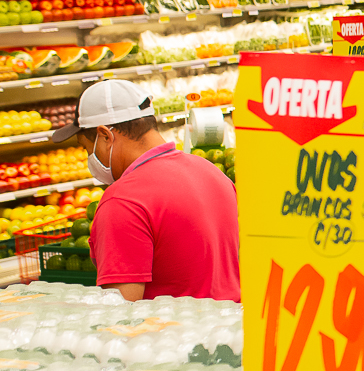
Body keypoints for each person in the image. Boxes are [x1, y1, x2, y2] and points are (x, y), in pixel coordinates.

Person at [68, 79, 238, 301]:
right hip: (234, 328)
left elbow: (121, 313)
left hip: (173, 333)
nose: (90, 158)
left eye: (88, 149)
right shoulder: (212, 173)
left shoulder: (123, 201)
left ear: (105, 136)